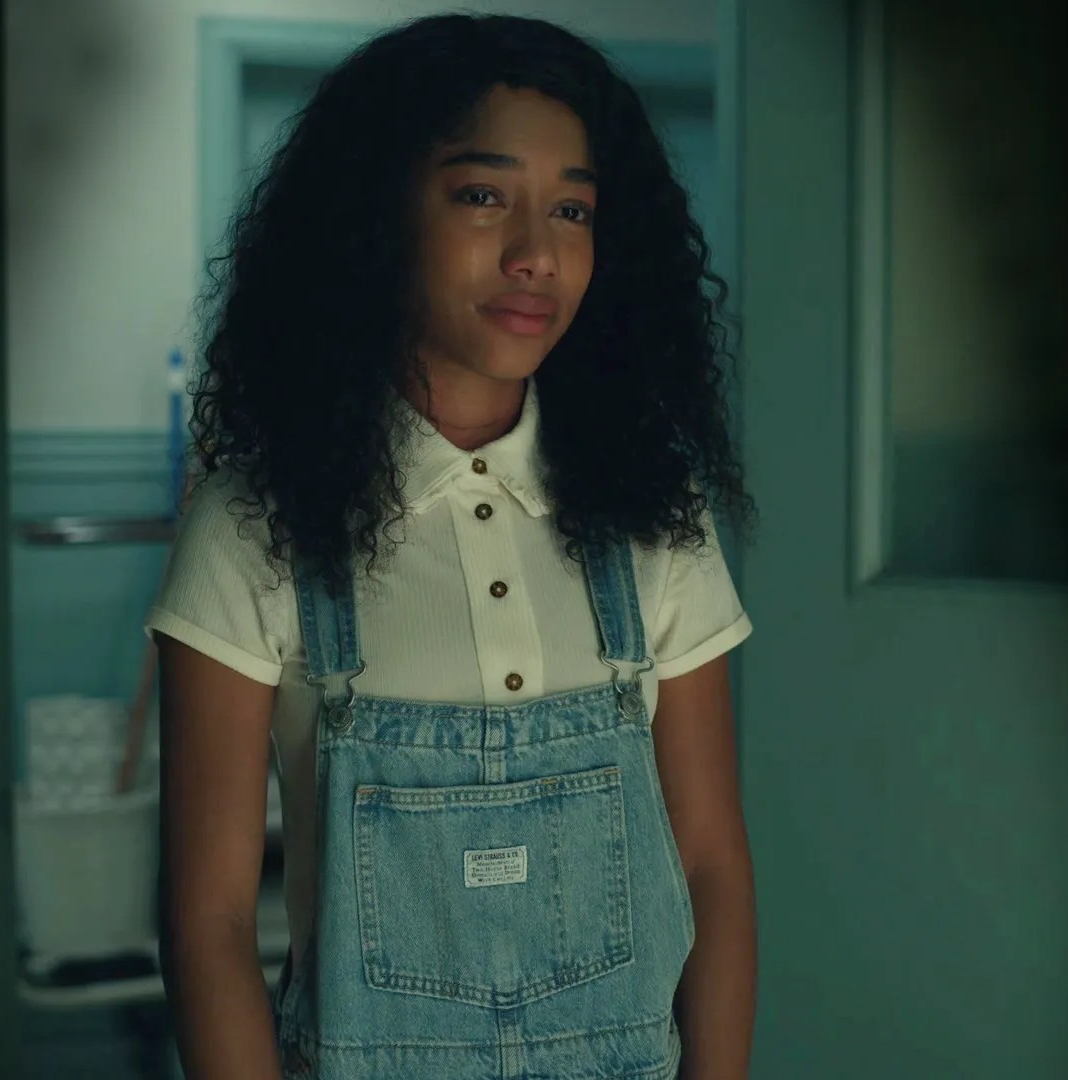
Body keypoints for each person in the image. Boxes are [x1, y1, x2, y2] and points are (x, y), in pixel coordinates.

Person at [147, 14, 756, 1079]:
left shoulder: (658, 517)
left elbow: (712, 869)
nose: (535, 254)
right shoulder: (252, 528)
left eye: (572, 209)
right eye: (482, 196)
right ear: (375, 215)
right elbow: (209, 925)